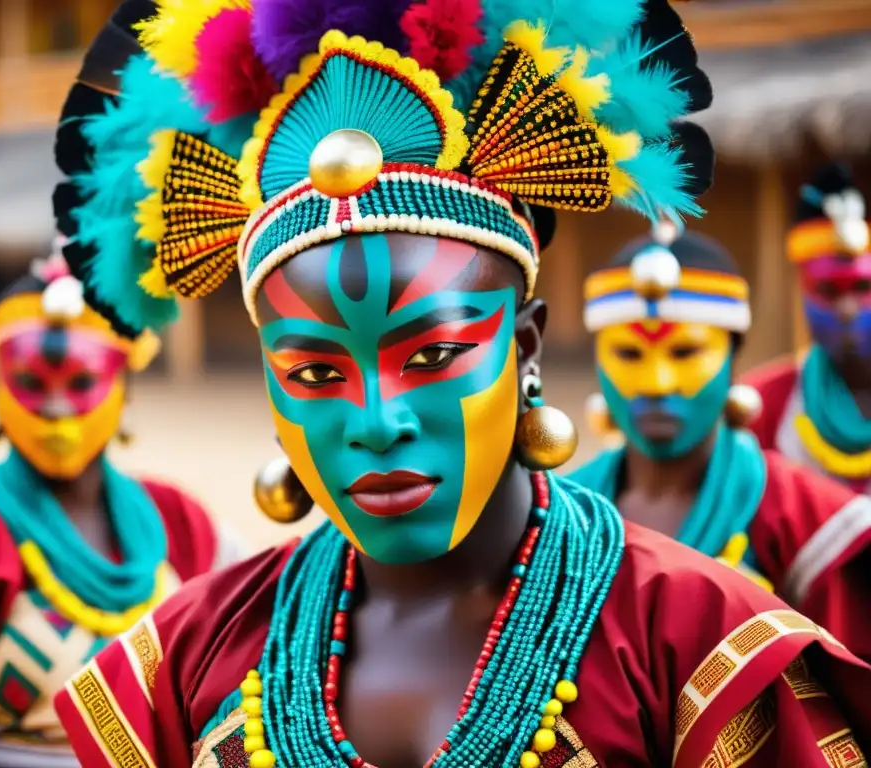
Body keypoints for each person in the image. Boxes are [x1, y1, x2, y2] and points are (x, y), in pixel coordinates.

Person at [52, 0, 871, 765]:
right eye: (312, 371)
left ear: (525, 348)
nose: (377, 422)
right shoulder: (192, 655)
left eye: (434, 356)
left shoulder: (694, 645)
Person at [0, 247, 246, 768]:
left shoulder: (184, 525)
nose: (57, 407)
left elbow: (239, 694)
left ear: (124, 391)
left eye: (82, 382)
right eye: (31, 382)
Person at [569, 225, 871, 664]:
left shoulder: (803, 517)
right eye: (629, 355)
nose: (657, 383)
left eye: (686, 353)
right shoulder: (563, 514)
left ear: (734, 358)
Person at [744, 163, 871, 496]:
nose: (847, 308)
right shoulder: (761, 404)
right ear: (801, 293)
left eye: (861, 286)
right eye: (828, 290)